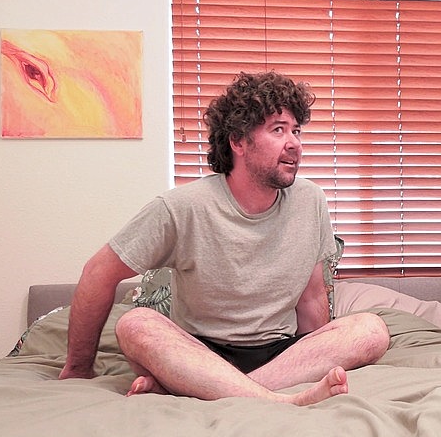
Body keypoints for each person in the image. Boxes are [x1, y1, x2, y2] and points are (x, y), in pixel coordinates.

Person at [58, 71, 391, 406]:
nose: (294, 143)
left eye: (296, 130)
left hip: (279, 354)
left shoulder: (311, 200)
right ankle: (275, 401)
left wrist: (315, 355)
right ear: (238, 142)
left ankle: (212, 390)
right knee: (134, 324)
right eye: (278, 129)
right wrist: (77, 369)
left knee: (371, 330)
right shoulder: (182, 206)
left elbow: (311, 297)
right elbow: (98, 272)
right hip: (198, 354)